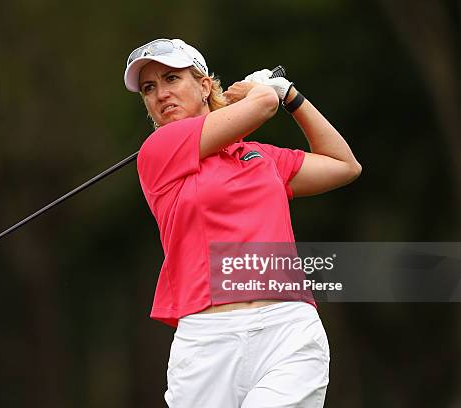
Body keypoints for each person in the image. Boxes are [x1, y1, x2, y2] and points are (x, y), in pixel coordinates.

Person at [124, 38, 361, 408]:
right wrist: (265, 93)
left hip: (287, 329)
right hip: (205, 342)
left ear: (204, 85)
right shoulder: (159, 150)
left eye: (171, 78)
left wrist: (291, 96)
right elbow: (264, 105)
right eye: (149, 88)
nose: (160, 94)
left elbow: (344, 165)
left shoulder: (261, 158)